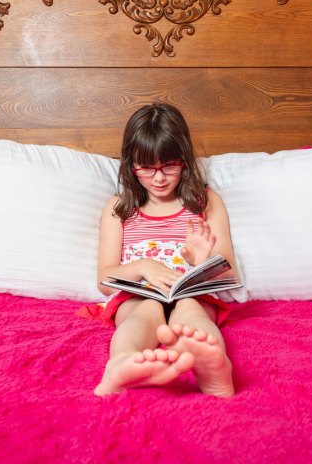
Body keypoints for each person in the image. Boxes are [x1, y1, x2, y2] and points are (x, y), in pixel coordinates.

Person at [84, 103, 237, 397]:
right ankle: (121, 362)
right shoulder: (119, 209)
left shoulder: (206, 202)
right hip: (139, 293)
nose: (159, 178)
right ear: (131, 165)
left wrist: (201, 261)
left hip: (191, 290)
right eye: (147, 168)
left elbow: (228, 269)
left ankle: (214, 367)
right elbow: (104, 280)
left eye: (169, 165)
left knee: (192, 313)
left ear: (184, 160)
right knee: (144, 313)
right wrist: (142, 267)